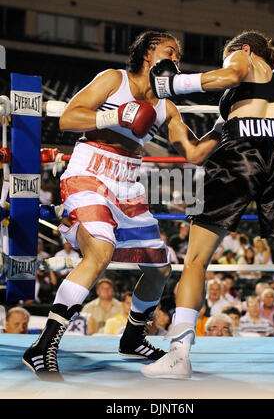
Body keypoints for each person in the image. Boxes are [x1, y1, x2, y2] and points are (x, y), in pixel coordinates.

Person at [23, 30, 221, 381]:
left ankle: (132, 338)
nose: (176, 59)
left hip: (128, 186)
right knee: (99, 252)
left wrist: (223, 124)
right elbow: (68, 118)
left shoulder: (167, 107)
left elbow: (193, 154)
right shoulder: (114, 80)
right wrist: (116, 115)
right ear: (147, 54)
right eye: (169, 51)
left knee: (160, 267)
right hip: (89, 172)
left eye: (179, 55)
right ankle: (43, 347)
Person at [142, 29, 274, 379]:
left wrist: (173, 86)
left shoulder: (243, 60)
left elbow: (230, 74)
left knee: (196, 259)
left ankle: (179, 356)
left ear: (243, 49)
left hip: (242, 152)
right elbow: (198, 152)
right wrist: (176, 123)